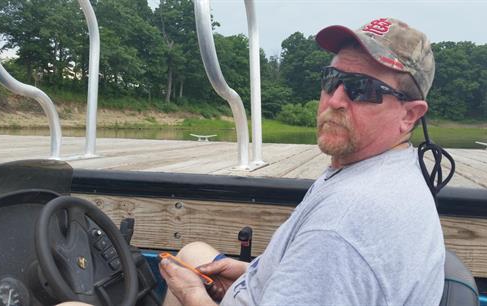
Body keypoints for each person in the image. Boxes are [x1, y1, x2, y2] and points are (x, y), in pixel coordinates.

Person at [161, 17, 445, 306]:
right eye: (331, 79)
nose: (334, 100)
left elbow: (331, 257)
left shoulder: (341, 225)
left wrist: (193, 295)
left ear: (410, 115)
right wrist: (252, 271)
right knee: (192, 253)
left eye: (362, 88)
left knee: (183, 277)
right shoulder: (393, 168)